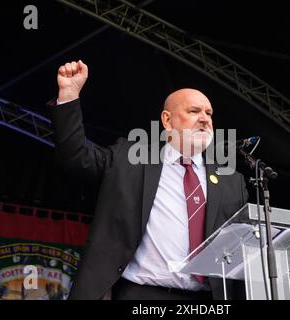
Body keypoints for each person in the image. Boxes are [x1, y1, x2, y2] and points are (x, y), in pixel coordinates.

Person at [49, 60, 249, 300]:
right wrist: (69, 94)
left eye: (209, 113)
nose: (205, 119)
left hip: (206, 298)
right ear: (167, 120)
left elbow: (241, 247)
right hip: (140, 294)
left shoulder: (231, 181)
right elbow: (76, 157)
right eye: (194, 111)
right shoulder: (130, 159)